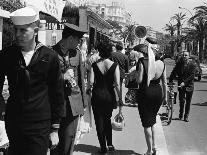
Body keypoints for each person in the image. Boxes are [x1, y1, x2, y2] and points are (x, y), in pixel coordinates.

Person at [0, 7, 65, 155]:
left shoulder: (49, 56)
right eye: (16, 30)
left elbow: (57, 93)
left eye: (23, 30)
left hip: (40, 124)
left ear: (35, 30)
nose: (18, 35)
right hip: (14, 123)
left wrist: (55, 129)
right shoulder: (6, 55)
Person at [51, 23, 87, 155]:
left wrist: (84, 104)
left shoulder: (77, 54)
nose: (78, 43)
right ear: (71, 39)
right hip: (55, 104)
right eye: (78, 40)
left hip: (74, 104)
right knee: (55, 141)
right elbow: (45, 79)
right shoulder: (51, 53)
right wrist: (62, 77)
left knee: (69, 139)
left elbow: (81, 80)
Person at [87, 41, 122, 154]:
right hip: (109, 96)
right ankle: (110, 144)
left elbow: (91, 82)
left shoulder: (94, 65)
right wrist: (120, 98)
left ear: (100, 52)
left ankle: (103, 147)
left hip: (97, 95)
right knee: (107, 120)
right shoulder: (114, 65)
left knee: (99, 121)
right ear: (110, 52)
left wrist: (88, 90)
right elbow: (117, 83)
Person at [133, 44, 167, 155]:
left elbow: (139, 80)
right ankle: (155, 146)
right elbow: (164, 82)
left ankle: (149, 150)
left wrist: (135, 73)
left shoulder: (142, 62)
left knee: (146, 123)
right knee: (153, 121)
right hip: (158, 93)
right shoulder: (162, 63)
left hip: (145, 93)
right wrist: (165, 97)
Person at [169, 51, 196, 122]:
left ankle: (186, 116)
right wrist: (170, 81)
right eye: (183, 55)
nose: (184, 56)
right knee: (182, 101)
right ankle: (180, 114)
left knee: (188, 102)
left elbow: (192, 76)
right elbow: (174, 72)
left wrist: (184, 82)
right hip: (181, 86)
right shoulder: (179, 64)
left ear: (189, 56)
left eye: (186, 55)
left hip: (189, 86)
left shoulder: (192, 64)